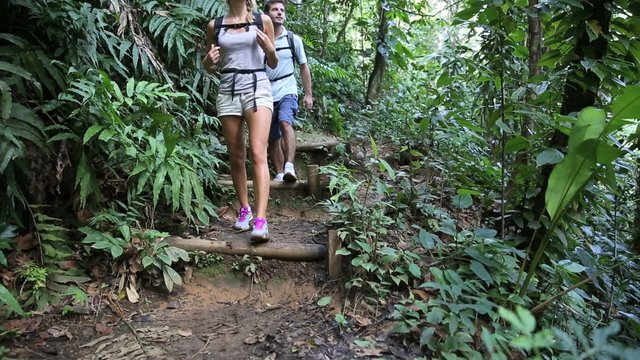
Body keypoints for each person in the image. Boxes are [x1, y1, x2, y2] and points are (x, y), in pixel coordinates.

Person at [202, 0, 278, 243]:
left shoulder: (262, 21)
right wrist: (207, 64)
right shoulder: (215, 25)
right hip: (228, 91)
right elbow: (211, 65)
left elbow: (273, 63)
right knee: (235, 155)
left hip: (257, 88)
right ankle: (244, 209)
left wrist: (269, 49)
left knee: (257, 152)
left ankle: (261, 219)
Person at [263, 0, 313, 183]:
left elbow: (304, 66)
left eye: (282, 10)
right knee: (272, 136)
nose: (279, 13)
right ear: (266, 14)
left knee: (285, 122)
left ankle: (289, 166)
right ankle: (279, 172)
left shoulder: (293, 39)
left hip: (287, 87)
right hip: (265, 90)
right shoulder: (260, 38)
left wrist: (308, 94)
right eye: (274, 9)